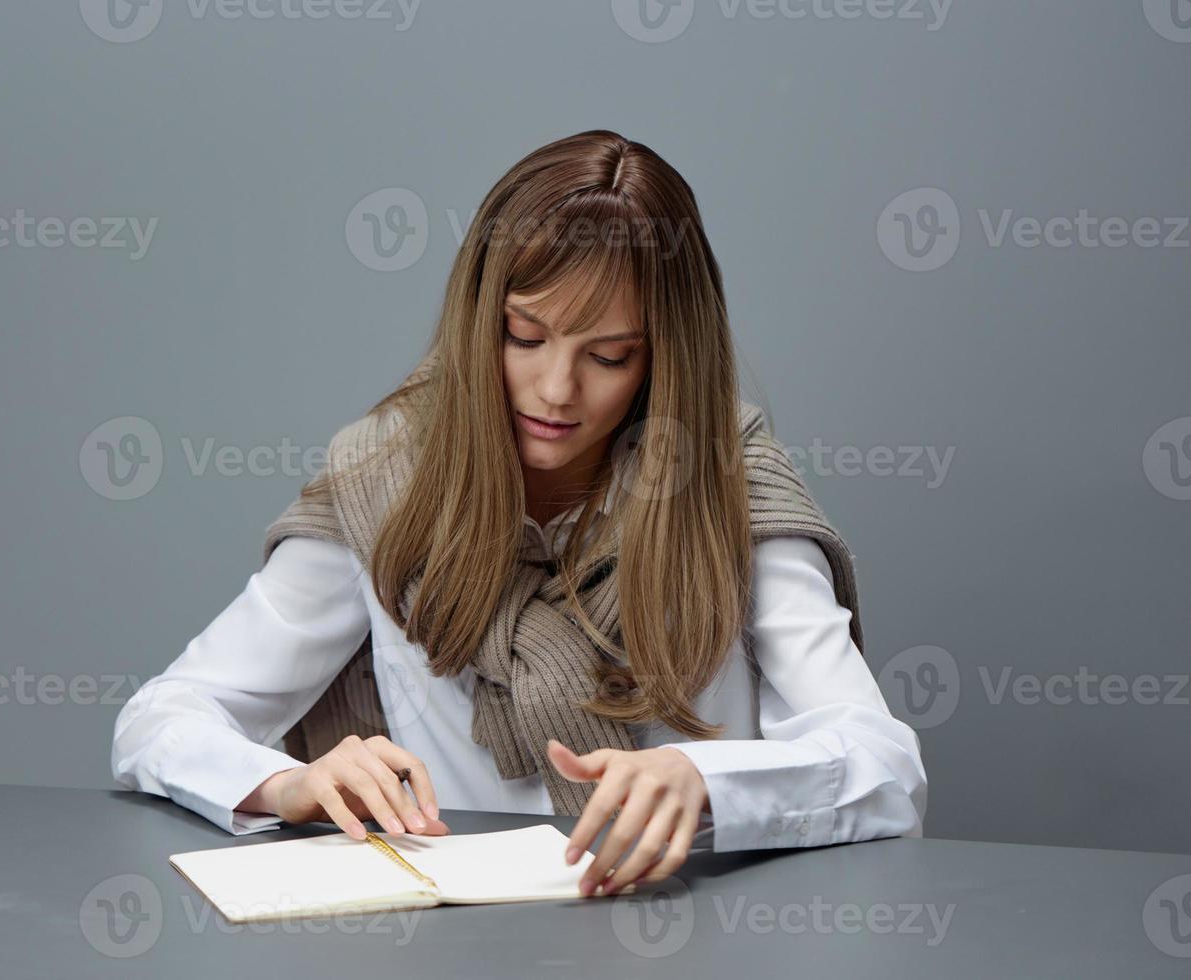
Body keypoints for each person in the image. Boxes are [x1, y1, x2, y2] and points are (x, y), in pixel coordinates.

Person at [111, 129, 926, 899]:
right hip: (459, 948)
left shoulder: (727, 485)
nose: (557, 389)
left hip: (699, 936)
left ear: (664, 356)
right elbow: (160, 719)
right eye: (523, 337)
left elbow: (886, 769)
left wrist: (706, 782)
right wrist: (289, 784)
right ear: (479, 322)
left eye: (609, 355)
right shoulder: (386, 485)